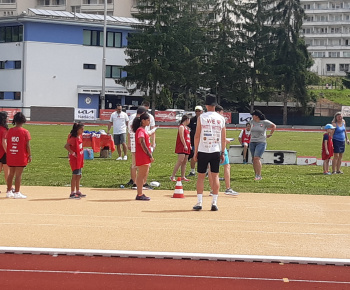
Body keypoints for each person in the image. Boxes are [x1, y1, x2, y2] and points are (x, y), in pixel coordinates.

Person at [193, 94, 226, 211]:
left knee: (201, 176)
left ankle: (199, 202)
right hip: (216, 149)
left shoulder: (201, 117)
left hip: (203, 149)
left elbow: (197, 136)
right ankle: (214, 202)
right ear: (215, 105)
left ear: (206, 105)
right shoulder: (221, 118)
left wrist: (195, 152)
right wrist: (222, 152)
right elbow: (223, 137)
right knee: (215, 175)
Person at [208, 105, 238, 196]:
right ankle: (228, 188)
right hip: (220, 146)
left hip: (210, 146)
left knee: (211, 168)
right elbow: (222, 135)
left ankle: (213, 189)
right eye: (221, 112)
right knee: (226, 166)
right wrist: (225, 141)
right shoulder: (220, 120)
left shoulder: (208, 120)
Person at [6, 112, 31, 199]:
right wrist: (30, 155)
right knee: (18, 174)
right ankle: (17, 192)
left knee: (11, 174)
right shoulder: (25, 132)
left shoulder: (10, 131)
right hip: (20, 155)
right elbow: (27, 145)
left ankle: (9, 191)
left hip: (11, 154)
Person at [249, 110, 276, 181]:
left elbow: (273, 126)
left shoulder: (264, 122)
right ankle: (256, 173)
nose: (252, 117)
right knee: (253, 159)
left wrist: (270, 134)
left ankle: (259, 175)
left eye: (253, 115)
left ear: (257, 116)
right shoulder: (252, 122)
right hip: (252, 142)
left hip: (261, 142)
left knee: (257, 158)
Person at [132, 112, 154, 201]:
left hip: (144, 155)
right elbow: (142, 142)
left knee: (143, 174)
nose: (149, 122)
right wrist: (149, 154)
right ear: (143, 121)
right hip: (143, 156)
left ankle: (140, 192)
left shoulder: (142, 130)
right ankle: (139, 194)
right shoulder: (140, 130)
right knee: (141, 175)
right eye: (148, 120)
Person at [127, 106, 147, 188]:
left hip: (133, 142)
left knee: (134, 164)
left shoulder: (131, 119)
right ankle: (142, 182)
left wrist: (128, 143)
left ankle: (134, 181)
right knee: (143, 164)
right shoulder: (141, 121)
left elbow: (128, 132)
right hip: (138, 142)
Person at [64, 122, 85, 199]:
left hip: (80, 158)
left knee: (79, 175)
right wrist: (72, 153)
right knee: (75, 175)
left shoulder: (80, 136)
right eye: (81, 129)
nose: (83, 130)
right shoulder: (73, 138)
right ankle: (72, 192)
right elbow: (66, 146)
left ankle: (78, 190)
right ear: (77, 130)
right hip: (75, 159)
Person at [170, 114, 191, 182]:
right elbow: (181, 136)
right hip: (182, 146)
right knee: (180, 161)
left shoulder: (186, 128)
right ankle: (173, 175)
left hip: (187, 145)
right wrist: (185, 145)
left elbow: (188, 137)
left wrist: (189, 145)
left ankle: (183, 176)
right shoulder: (181, 127)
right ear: (186, 120)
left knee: (185, 161)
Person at [187, 105, 203, 177]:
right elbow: (187, 128)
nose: (197, 112)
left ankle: (205, 171)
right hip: (193, 141)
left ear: (202, 111)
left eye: (199, 111)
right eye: (196, 111)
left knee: (203, 157)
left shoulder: (204, 119)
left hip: (203, 141)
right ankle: (192, 171)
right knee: (194, 156)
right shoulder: (192, 120)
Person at [0, 111, 9, 193]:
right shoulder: (4, 129)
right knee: (7, 171)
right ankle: (9, 188)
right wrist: (8, 152)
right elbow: (4, 142)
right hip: (4, 152)